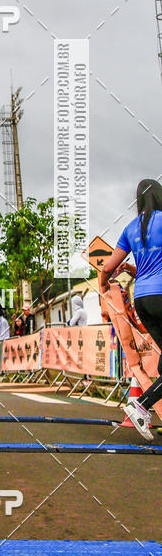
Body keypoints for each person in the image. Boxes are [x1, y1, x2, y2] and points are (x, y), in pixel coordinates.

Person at [101, 179, 162, 441]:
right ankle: (141, 406)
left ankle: (143, 405)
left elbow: (107, 267)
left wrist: (103, 288)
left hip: (143, 300)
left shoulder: (131, 228)